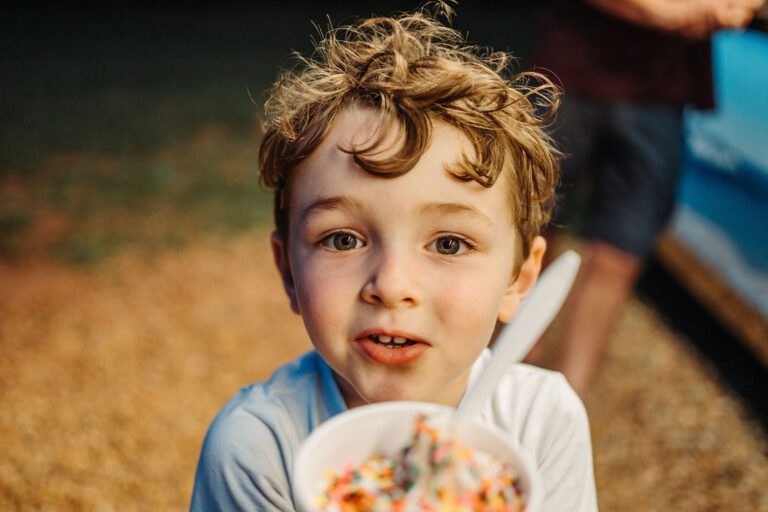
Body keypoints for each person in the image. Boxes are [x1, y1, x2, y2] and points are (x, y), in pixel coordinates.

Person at [190, 4, 598, 511]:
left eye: (449, 244)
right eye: (342, 240)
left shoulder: (542, 423)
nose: (392, 283)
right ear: (288, 272)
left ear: (518, 280)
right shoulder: (259, 447)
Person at [524, 0, 763, 395]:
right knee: (533, 227)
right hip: (572, 69)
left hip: (662, 91)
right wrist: (672, 12)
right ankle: (509, 368)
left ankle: (566, 402)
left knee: (620, 253)